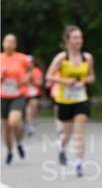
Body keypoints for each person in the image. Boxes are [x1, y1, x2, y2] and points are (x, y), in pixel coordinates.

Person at [46, 26, 95, 177]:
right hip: (64, 100)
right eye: (75, 38)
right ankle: (60, 146)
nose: (78, 41)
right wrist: (64, 80)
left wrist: (84, 81)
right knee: (67, 134)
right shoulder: (61, 58)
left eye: (80, 37)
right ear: (67, 40)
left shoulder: (87, 57)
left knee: (79, 132)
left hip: (81, 99)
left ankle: (79, 163)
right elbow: (49, 76)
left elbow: (92, 77)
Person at [1, 33, 31, 164]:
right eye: (7, 41)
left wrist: (26, 78)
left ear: (15, 44)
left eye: (12, 42)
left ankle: (18, 142)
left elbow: (30, 70)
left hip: (18, 94)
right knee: (6, 128)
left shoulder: (22, 58)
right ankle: (9, 151)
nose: (9, 44)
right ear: (3, 43)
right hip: (3, 95)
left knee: (14, 121)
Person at [24, 57, 44, 136]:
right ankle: (29, 124)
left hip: (35, 93)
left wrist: (32, 80)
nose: (29, 65)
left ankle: (33, 121)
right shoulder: (22, 70)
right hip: (25, 94)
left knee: (34, 106)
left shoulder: (36, 71)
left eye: (30, 63)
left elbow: (40, 83)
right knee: (28, 109)